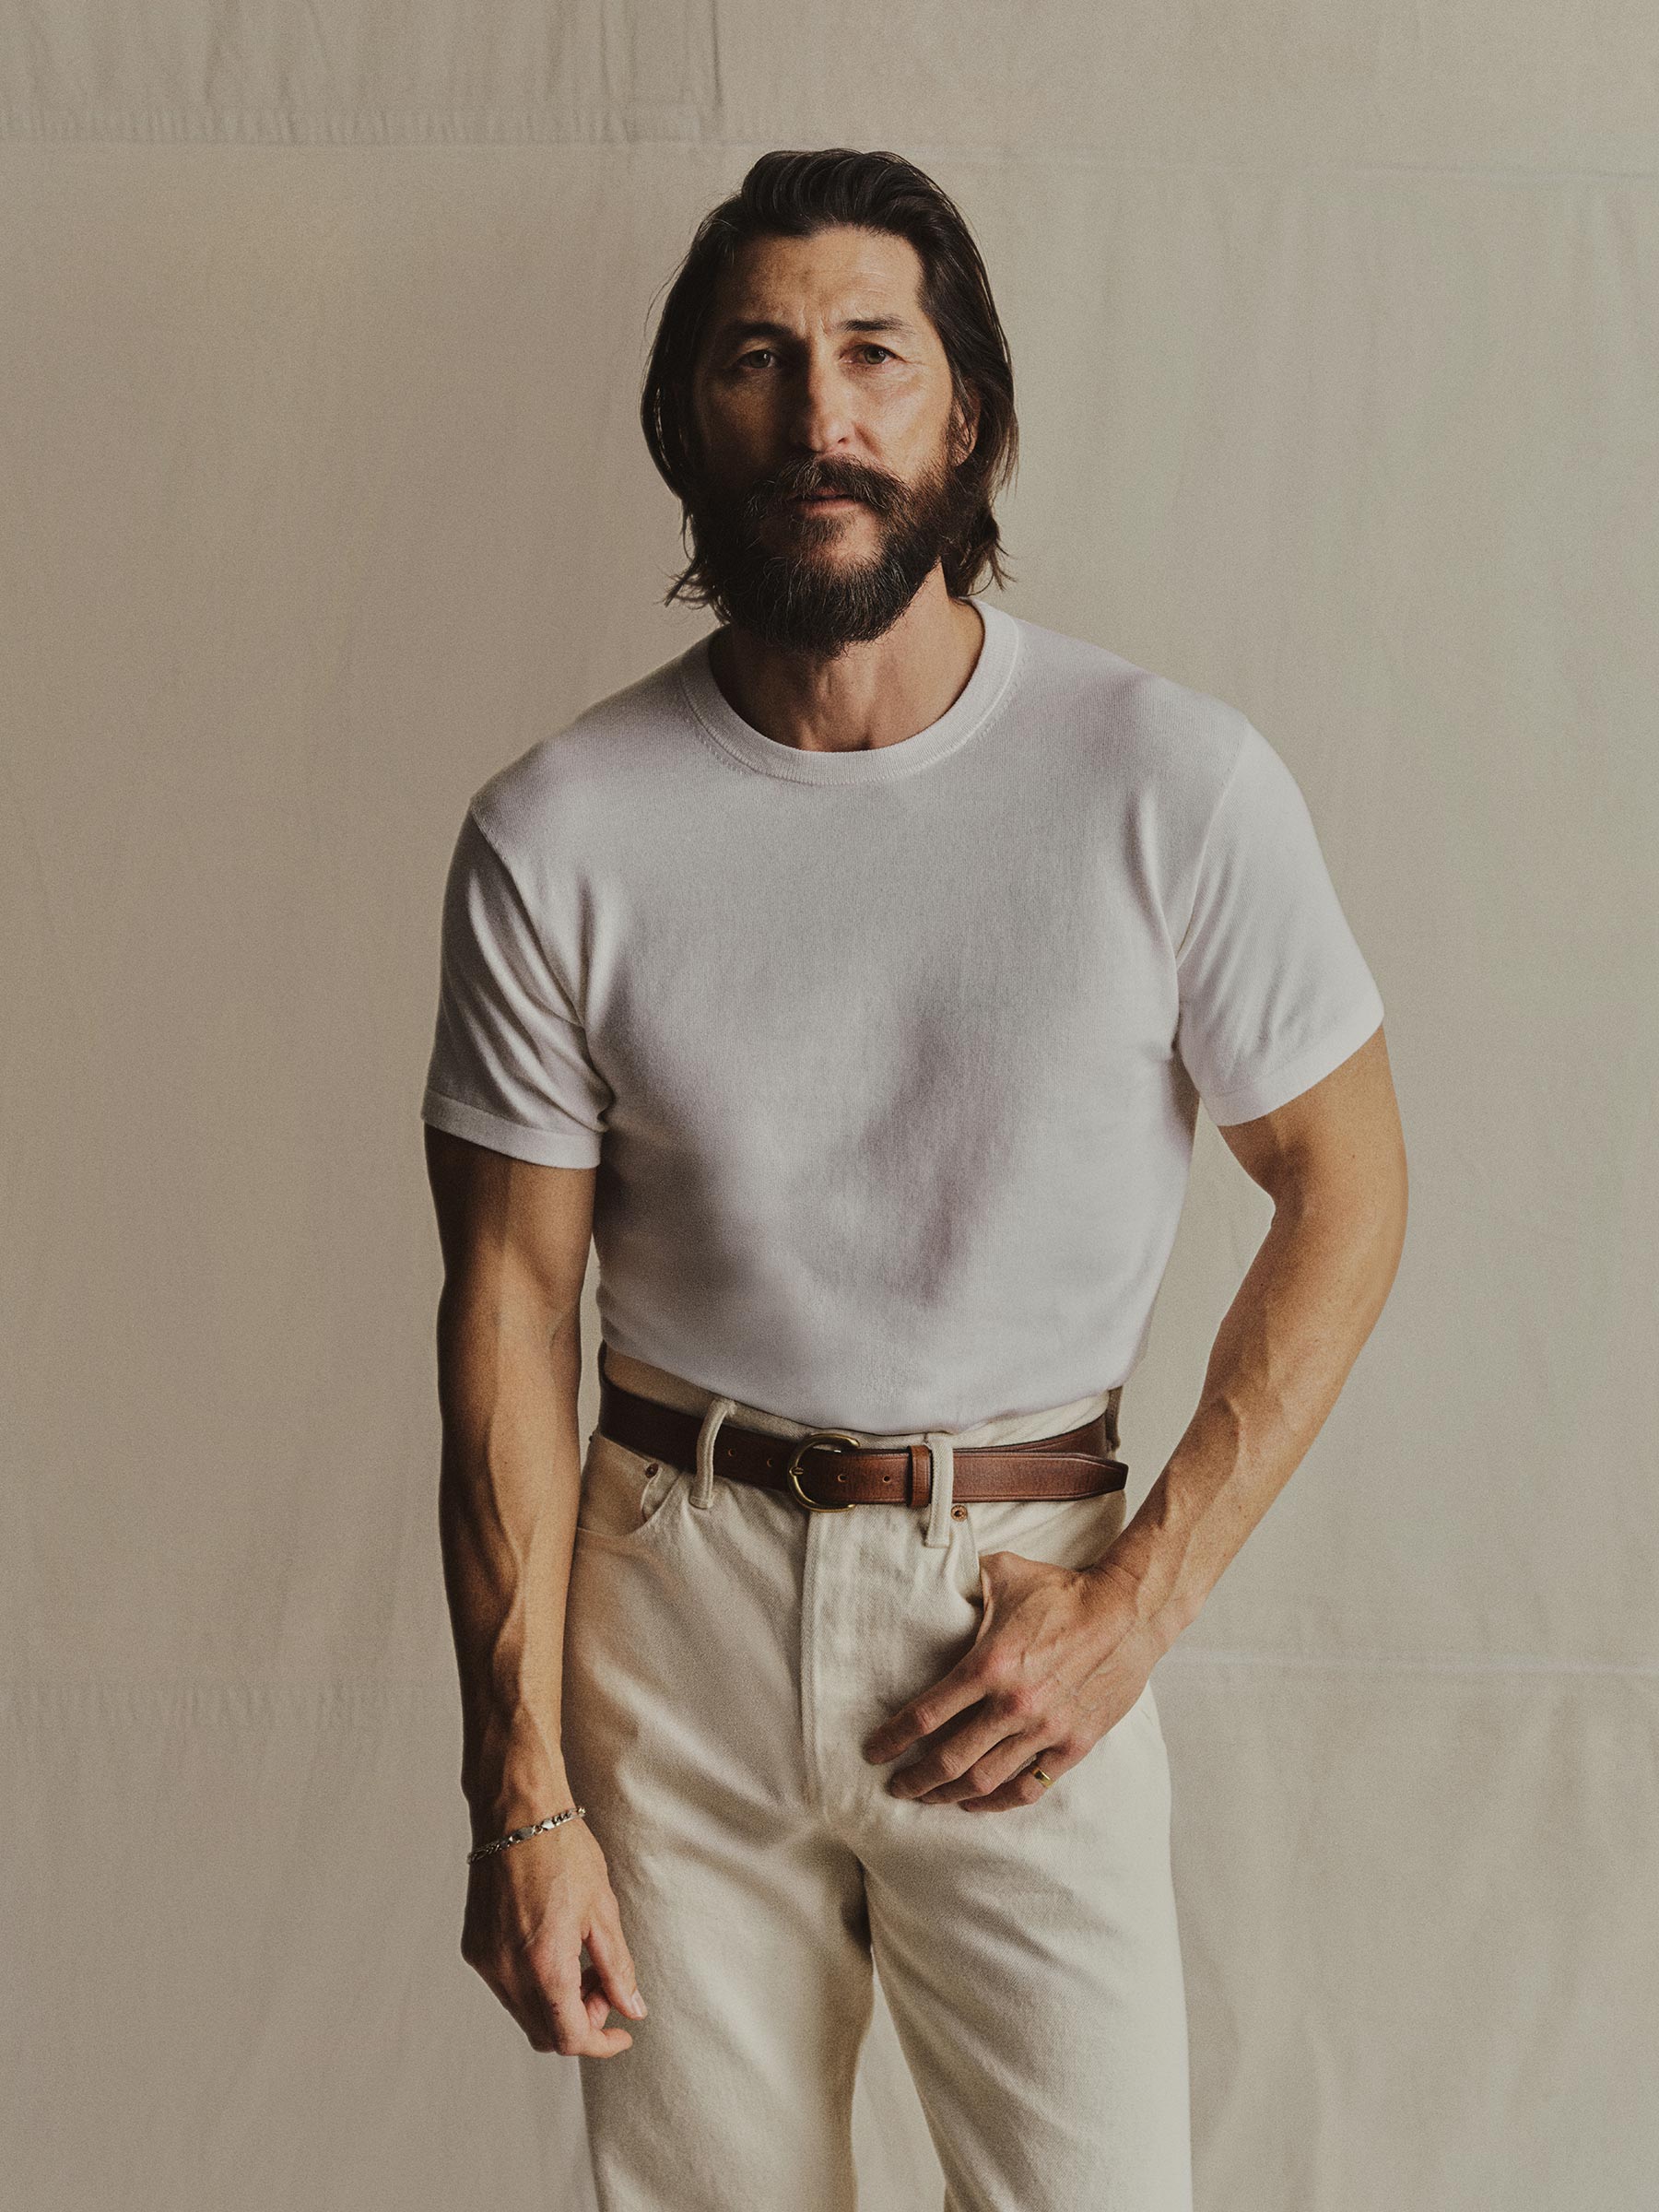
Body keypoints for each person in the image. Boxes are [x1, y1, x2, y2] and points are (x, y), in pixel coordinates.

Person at [418, 147, 1407, 2212]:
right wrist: (521, 1792)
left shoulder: (1166, 781)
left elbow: (1348, 1182)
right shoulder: (560, 829)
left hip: (1015, 1602)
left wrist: (1138, 1607)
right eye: (758, 361)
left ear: (972, 419)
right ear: (687, 423)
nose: (822, 415)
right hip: (668, 1610)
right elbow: (509, 1302)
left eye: (876, 353)